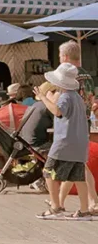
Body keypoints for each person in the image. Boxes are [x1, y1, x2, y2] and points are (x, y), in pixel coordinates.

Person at [36, 63, 91, 218]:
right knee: (78, 178)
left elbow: (58, 112)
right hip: (79, 144)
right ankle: (84, 209)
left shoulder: (65, 97)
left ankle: (56, 207)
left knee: (48, 172)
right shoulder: (78, 98)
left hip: (64, 143)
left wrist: (43, 98)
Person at [55, 41, 98, 213]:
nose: (59, 59)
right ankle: (58, 201)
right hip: (85, 121)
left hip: (72, 124)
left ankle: (93, 201)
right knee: (75, 162)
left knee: (78, 163)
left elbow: (62, 103)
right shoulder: (87, 75)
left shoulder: (67, 76)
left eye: (59, 56)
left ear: (65, 57)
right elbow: (92, 98)